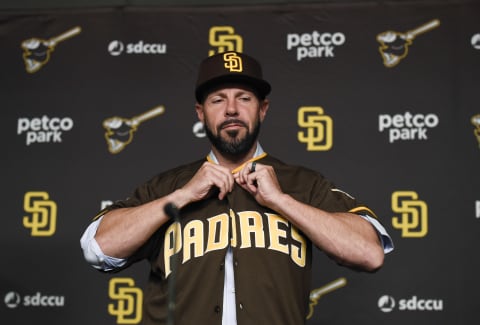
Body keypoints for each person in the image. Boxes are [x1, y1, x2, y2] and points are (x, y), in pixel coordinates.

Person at [80, 51, 394, 325]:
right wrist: (182, 196)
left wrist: (281, 200)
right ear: (201, 113)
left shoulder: (303, 183)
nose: (231, 109)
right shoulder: (168, 186)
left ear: (263, 109)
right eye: (218, 100)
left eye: (243, 98)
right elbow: (97, 249)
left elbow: (369, 253)